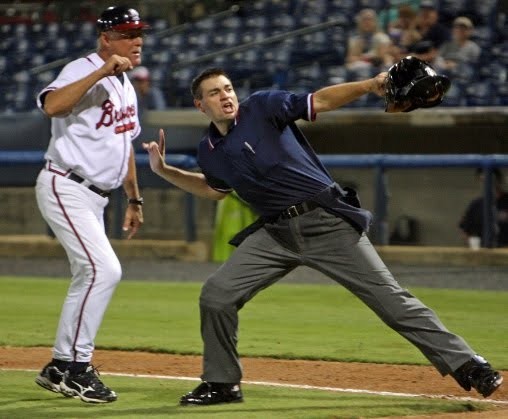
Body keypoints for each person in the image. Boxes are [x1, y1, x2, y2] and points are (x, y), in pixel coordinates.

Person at [143, 67, 503, 406]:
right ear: (199, 104)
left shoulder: (262, 107)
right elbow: (214, 190)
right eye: (214, 93)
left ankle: (470, 365)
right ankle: (222, 383)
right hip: (276, 234)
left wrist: (369, 85)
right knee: (217, 295)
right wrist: (164, 171)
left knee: (392, 300)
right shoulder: (209, 150)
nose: (225, 96)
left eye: (228, 88)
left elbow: (322, 101)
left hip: (326, 222)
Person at [34, 5, 147, 404]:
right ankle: (79, 370)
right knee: (104, 270)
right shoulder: (81, 69)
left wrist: (133, 198)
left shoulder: (126, 85)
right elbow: (51, 106)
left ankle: (60, 366)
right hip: (66, 185)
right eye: (128, 33)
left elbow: (125, 143)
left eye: (139, 33)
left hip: (97, 197)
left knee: (89, 275)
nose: (137, 41)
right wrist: (99, 72)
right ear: (106, 38)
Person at [459, 168, 508, 248]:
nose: (486, 184)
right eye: (483, 181)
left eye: (491, 180)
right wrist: (473, 244)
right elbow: (464, 228)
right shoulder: (476, 204)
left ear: (499, 180)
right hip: (484, 253)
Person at [346, 8, 395, 72]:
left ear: (375, 22)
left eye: (370, 20)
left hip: (378, 65)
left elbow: (382, 56)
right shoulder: (354, 39)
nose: (367, 22)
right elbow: (350, 58)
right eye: (364, 20)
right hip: (361, 65)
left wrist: (367, 57)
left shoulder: (382, 37)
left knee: (388, 60)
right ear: (359, 22)